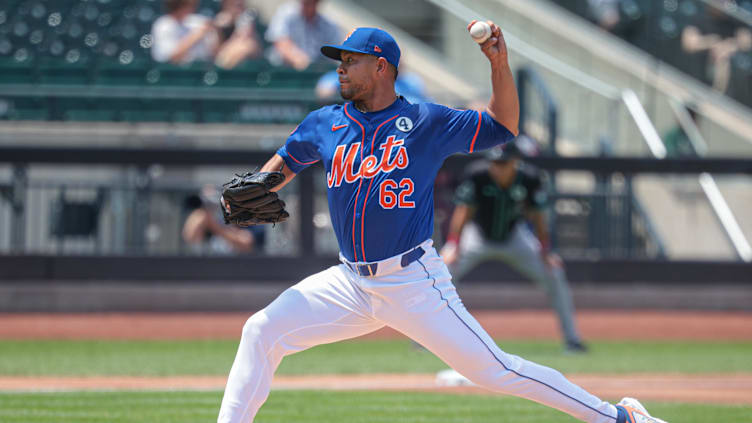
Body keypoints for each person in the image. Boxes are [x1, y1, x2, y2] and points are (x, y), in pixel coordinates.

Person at [216, 24, 668, 423]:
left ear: (381, 67)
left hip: (412, 281)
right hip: (350, 282)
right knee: (261, 330)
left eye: (350, 61)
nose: (340, 69)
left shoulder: (425, 121)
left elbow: (504, 125)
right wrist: (255, 186)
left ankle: (619, 418)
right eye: (340, 61)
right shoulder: (324, 123)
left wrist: (498, 65)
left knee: (496, 370)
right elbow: (276, 169)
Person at [439, 137, 587, 353]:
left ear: (516, 161)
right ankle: (424, 340)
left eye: (504, 163)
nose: (498, 168)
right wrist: (453, 245)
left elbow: (538, 217)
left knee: (554, 273)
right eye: (495, 162)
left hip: (515, 237)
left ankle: (572, 340)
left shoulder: (530, 178)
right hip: (478, 236)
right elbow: (463, 212)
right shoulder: (477, 174)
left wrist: (546, 251)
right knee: (441, 273)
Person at [183, 185, 260, 254]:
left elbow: (247, 244)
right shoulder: (201, 217)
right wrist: (200, 215)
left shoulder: (236, 217)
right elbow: (190, 238)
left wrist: (216, 228)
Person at [264, 0, 341, 70]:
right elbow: (281, 43)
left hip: (313, 74)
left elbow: (334, 53)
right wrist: (300, 60)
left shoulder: (328, 24)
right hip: (280, 71)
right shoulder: (286, 13)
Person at [151, 0, 219, 64]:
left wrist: (216, 31)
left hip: (201, 70)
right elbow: (172, 57)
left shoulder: (200, 21)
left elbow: (215, 53)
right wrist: (196, 35)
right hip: (172, 73)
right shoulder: (163, 25)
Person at [213, 0, 263, 69]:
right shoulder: (218, 19)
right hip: (222, 53)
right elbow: (216, 48)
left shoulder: (248, 16)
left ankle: (224, 70)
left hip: (240, 50)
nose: (237, 3)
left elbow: (244, 37)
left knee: (247, 46)